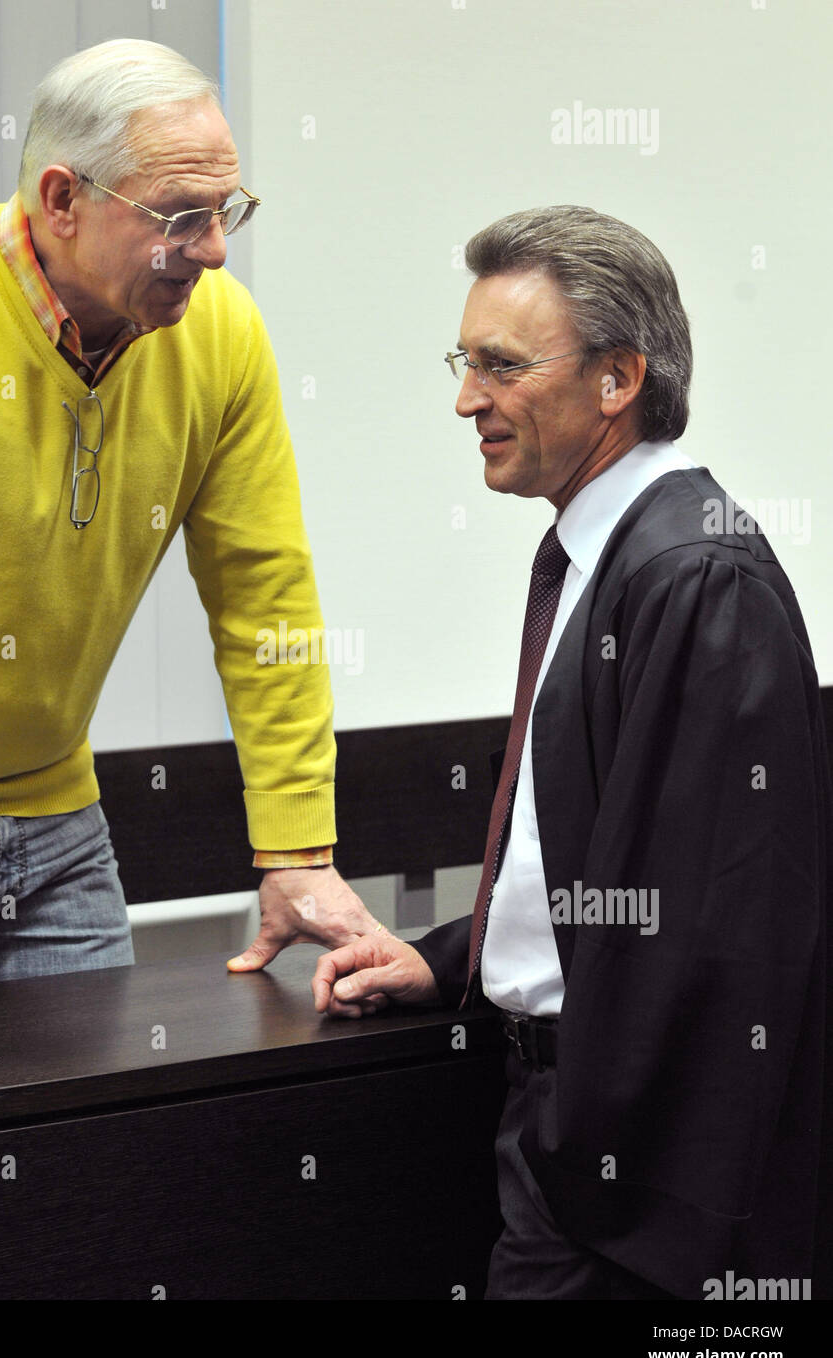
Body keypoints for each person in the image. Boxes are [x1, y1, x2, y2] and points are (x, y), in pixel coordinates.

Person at [0, 39, 375, 1062]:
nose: (214, 248)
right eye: (181, 217)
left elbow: (264, 601)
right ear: (62, 197)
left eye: (226, 210)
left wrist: (297, 850)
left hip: (58, 835)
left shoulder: (222, 335)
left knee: (92, 1174)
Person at [312, 206, 832, 1300]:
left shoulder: (694, 578)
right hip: (571, 1146)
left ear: (616, 379)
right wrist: (449, 958)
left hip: (628, 1201)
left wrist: (597, 1174)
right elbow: (584, 856)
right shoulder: (604, 555)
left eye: (500, 366)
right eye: (463, 363)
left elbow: (713, 933)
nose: (464, 399)